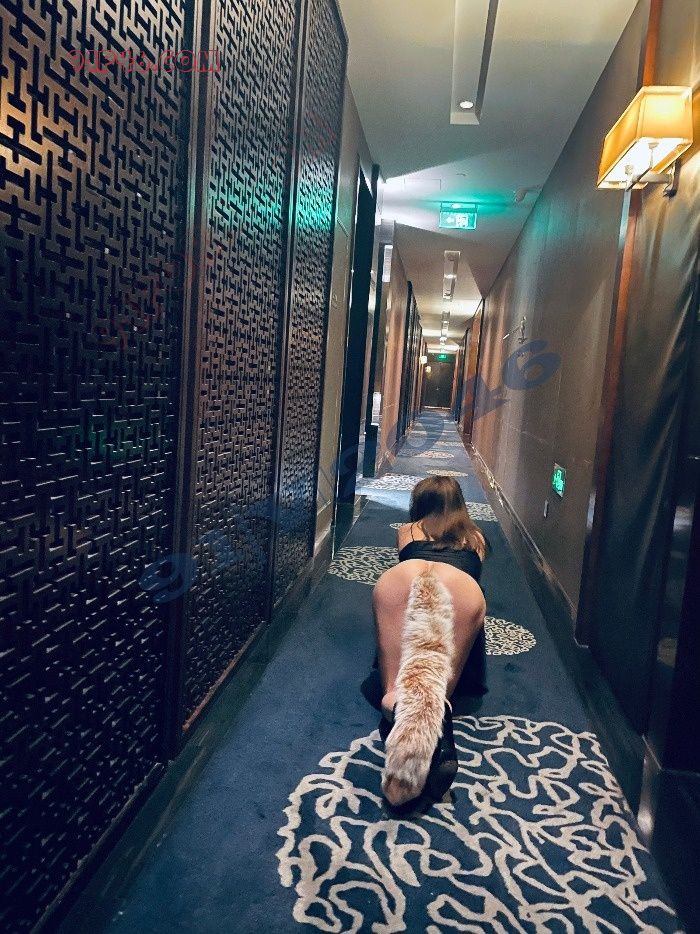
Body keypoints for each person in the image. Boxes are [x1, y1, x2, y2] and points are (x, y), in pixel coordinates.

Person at [372, 475, 487, 806]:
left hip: (406, 581)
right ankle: (441, 726)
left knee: (395, 683)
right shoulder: (476, 537)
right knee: (439, 687)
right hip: (464, 591)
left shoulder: (407, 531)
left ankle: (396, 711)